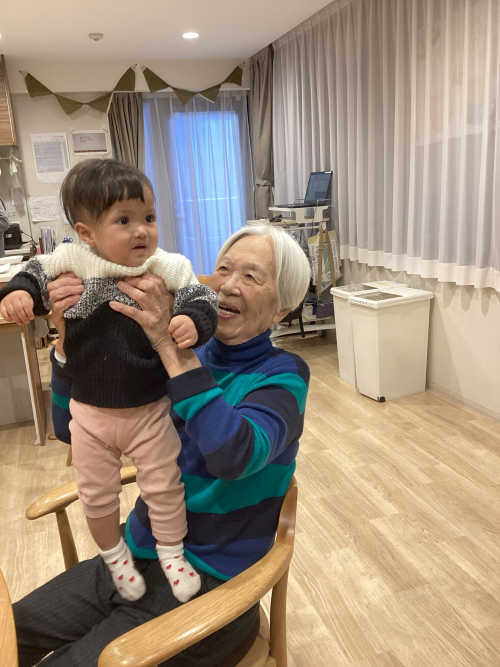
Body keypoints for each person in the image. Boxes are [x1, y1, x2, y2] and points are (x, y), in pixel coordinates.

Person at [13, 223, 312, 667]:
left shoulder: (282, 375)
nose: (228, 285)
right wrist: (66, 339)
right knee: (10, 629)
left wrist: (167, 348)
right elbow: (68, 427)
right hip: (137, 551)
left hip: (212, 588)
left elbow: (234, 455)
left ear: (283, 308)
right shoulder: (182, 353)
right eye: (224, 269)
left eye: (251, 277)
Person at [0, 159, 219, 604]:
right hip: (89, 413)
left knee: (164, 486)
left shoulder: (166, 265)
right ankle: (114, 556)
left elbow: (200, 295)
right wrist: (20, 293)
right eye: (124, 220)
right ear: (87, 232)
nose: (142, 231)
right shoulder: (72, 260)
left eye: (149, 217)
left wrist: (194, 320)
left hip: (149, 409)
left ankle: (172, 554)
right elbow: (33, 272)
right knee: (96, 495)